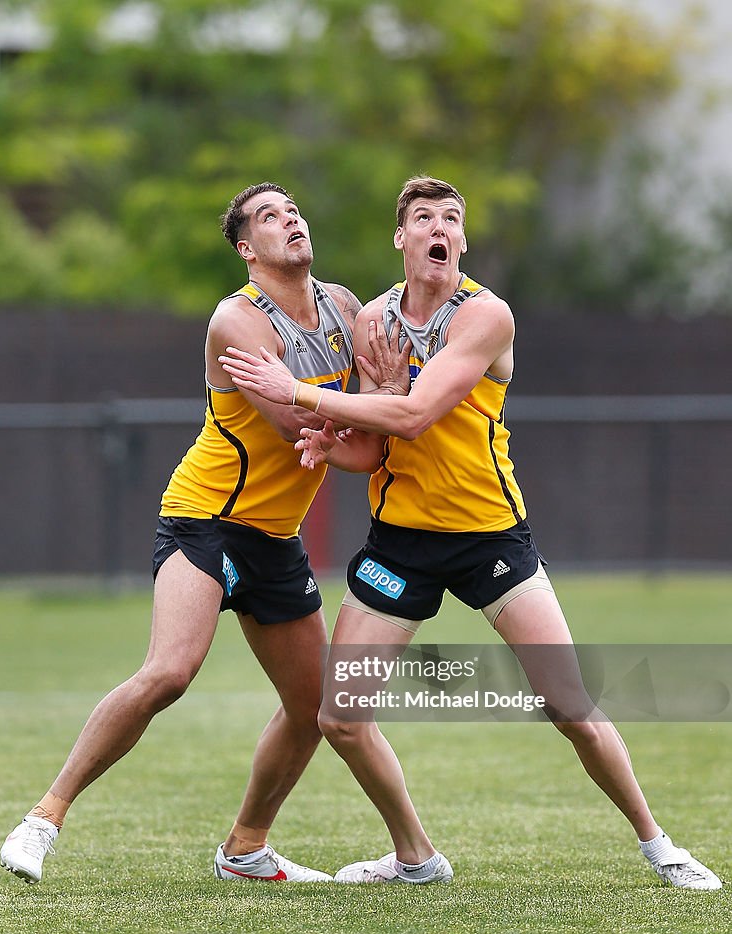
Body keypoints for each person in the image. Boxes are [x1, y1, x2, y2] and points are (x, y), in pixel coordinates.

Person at [219, 175, 722, 890]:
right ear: (402, 238)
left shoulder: (486, 317)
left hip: (491, 536)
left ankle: (659, 844)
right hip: (401, 542)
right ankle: (416, 858)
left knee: (569, 706)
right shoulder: (372, 323)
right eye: (424, 217)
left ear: (461, 238)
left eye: (451, 219)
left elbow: (417, 414)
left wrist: (296, 393)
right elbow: (373, 451)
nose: (440, 228)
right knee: (340, 717)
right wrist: (328, 442)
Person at [1, 182, 376, 885]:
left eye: (294, 208)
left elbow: (365, 408)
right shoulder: (237, 322)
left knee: (315, 708)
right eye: (269, 216)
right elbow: (303, 429)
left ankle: (245, 850)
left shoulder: (346, 307)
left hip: (274, 536)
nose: (290, 218)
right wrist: (374, 415)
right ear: (245, 249)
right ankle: (43, 818)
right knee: (170, 671)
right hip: (205, 519)